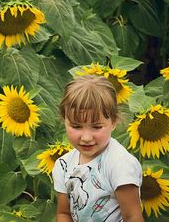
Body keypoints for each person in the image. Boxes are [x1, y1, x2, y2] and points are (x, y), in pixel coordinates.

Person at [52, 75, 144, 222]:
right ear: (64, 120)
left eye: (96, 127)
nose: (86, 137)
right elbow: (64, 214)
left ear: (113, 122)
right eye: (76, 126)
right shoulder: (63, 165)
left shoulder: (119, 164)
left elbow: (133, 217)